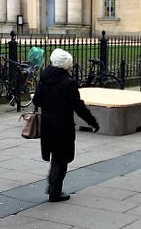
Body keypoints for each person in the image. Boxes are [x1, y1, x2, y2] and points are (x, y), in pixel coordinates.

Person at [32, 48, 99, 202]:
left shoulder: (44, 77)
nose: (71, 67)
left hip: (48, 124)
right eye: (70, 64)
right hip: (63, 126)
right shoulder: (69, 83)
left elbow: (37, 101)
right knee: (61, 159)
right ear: (65, 65)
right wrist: (92, 122)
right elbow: (78, 106)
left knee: (56, 158)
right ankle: (55, 192)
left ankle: (52, 185)